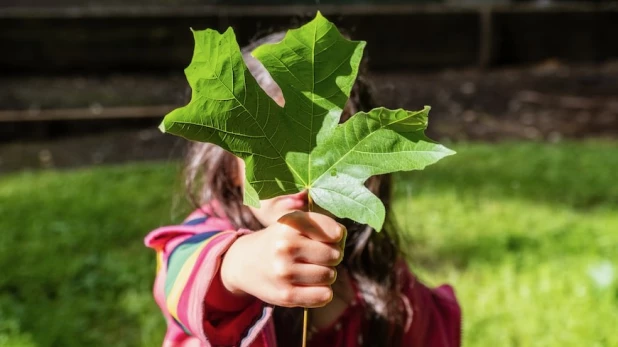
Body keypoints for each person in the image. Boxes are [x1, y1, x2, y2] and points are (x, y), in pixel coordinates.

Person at [145, 32, 461, 347]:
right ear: (231, 167)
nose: (296, 173)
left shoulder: (376, 267)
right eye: (272, 149)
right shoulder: (207, 234)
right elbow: (180, 275)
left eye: (322, 147)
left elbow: (433, 330)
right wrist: (238, 266)